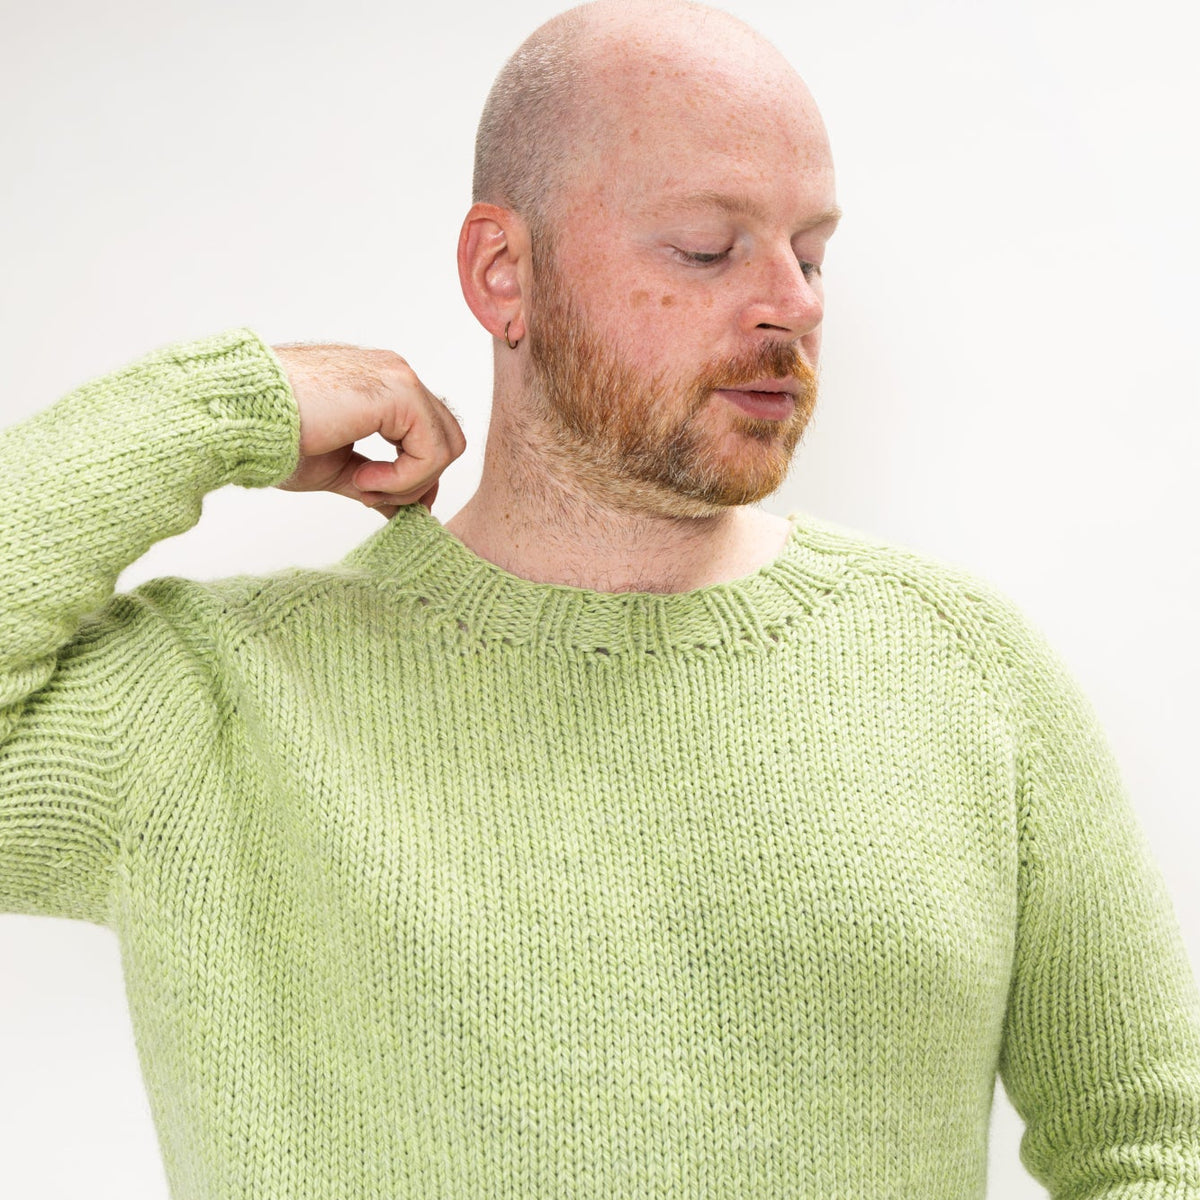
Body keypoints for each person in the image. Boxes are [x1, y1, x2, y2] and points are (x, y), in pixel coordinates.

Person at [2, 1, 1198, 1196]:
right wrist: (228, 405)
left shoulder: (961, 674)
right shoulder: (212, 711)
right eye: (706, 247)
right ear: (502, 271)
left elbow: (1155, 1142)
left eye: (812, 251)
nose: (795, 302)